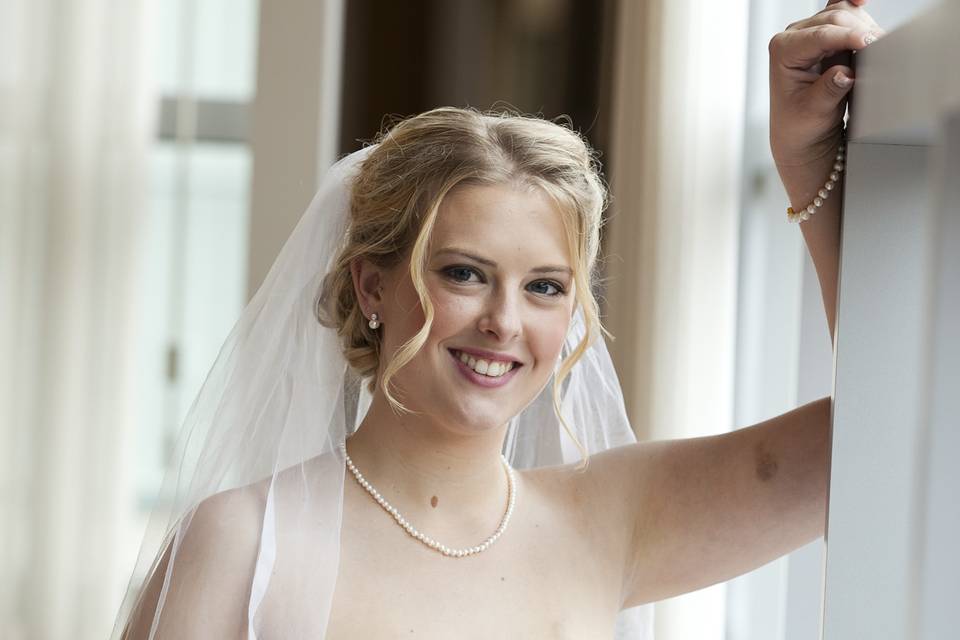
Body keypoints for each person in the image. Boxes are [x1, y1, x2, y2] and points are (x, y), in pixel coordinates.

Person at [113, 1, 884, 637]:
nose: (504, 322)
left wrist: (808, 166)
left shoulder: (610, 520)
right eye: (464, 274)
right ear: (371, 287)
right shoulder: (244, 543)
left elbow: (882, 435)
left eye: (545, 287)